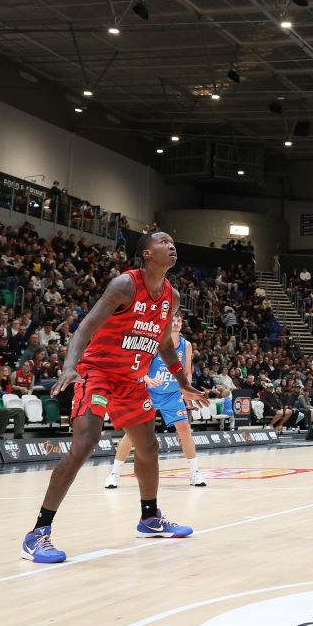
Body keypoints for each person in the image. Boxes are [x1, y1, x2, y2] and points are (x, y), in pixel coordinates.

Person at [20, 232, 208, 564]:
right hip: (98, 374)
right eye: (163, 241)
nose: (172, 244)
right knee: (86, 443)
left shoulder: (172, 297)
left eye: (173, 240)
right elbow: (85, 328)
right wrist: (69, 366)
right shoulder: (125, 285)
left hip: (132, 382)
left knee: (148, 445)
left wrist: (183, 382)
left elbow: (164, 344)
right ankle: (37, 533)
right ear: (147, 254)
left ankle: (149, 518)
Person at [105, 313, 206, 489]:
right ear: (166, 323)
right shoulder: (156, 343)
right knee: (132, 434)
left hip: (172, 394)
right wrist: (146, 379)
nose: (175, 323)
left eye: (178, 321)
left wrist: (186, 388)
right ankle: (114, 473)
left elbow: (187, 371)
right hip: (149, 393)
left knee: (185, 430)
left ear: (181, 325)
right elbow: (138, 366)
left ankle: (195, 473)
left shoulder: (186, 345)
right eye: (172, 320)